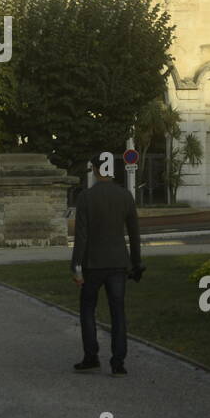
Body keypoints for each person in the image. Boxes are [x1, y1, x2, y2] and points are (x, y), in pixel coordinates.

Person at [70, 154, 143, 376]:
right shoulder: (125, 196)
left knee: (88, 310)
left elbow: (81, 236)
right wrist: (136, 262)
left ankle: (91, 356)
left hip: (93, 265)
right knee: (118, 312)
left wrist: (76, 267)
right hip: (118, 264)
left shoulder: (86, 197)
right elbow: (134, 233)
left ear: (94, 169)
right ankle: (118, 361)